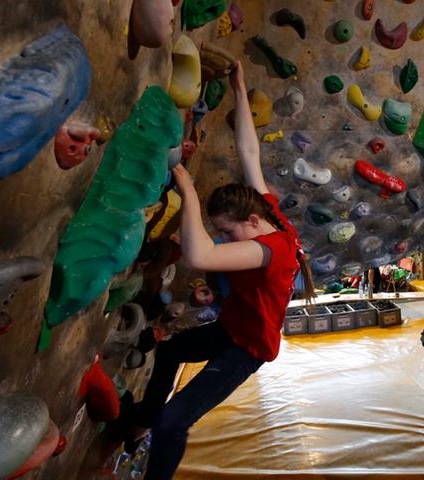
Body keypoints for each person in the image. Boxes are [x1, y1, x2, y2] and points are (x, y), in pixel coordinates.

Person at [119, 61, 315, 479]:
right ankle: (142, 419)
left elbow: (200, 257)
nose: (224, 238)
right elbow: (249, 150)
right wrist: (240, 89)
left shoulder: (268, 249)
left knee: (174, 422)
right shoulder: (269, 214)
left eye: (225, 231)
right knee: (170, 351)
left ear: (247, 222)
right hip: (234, 326)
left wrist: (188, 191)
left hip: (248, 348)